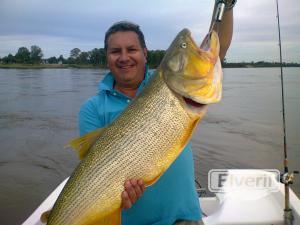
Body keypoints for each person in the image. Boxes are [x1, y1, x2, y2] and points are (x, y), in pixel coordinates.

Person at [79, 1, 236, 224]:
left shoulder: (165, 83)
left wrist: (226, 6)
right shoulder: (92, 108)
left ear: (145, 53)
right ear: (107, 56)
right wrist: (116, 196)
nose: (124, 57)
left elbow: (217, 47)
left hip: (185, 218)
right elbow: (92, 175)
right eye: (116, 51)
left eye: (131, 49)